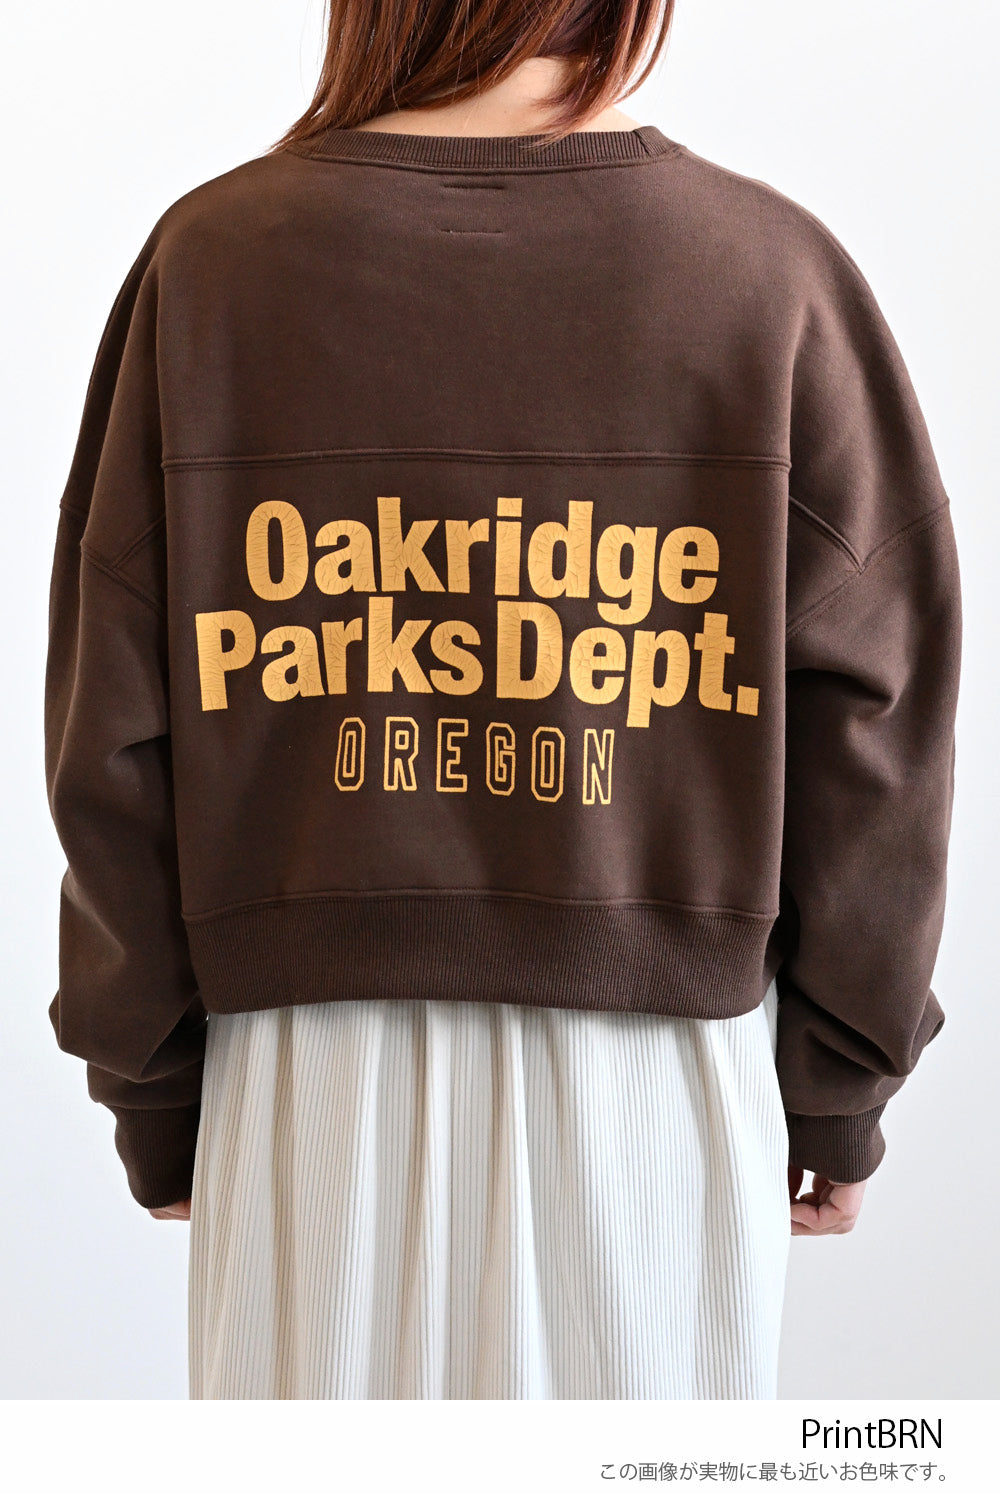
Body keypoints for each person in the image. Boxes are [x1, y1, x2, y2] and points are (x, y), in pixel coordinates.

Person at [44, 0, 962, 1399]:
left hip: (302, 1073)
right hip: (663, 1078)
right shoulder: (766, 271)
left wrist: (157, 1087)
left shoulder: (215, 263)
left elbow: (111, 727)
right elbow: (879, 726)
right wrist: (839, 1085)